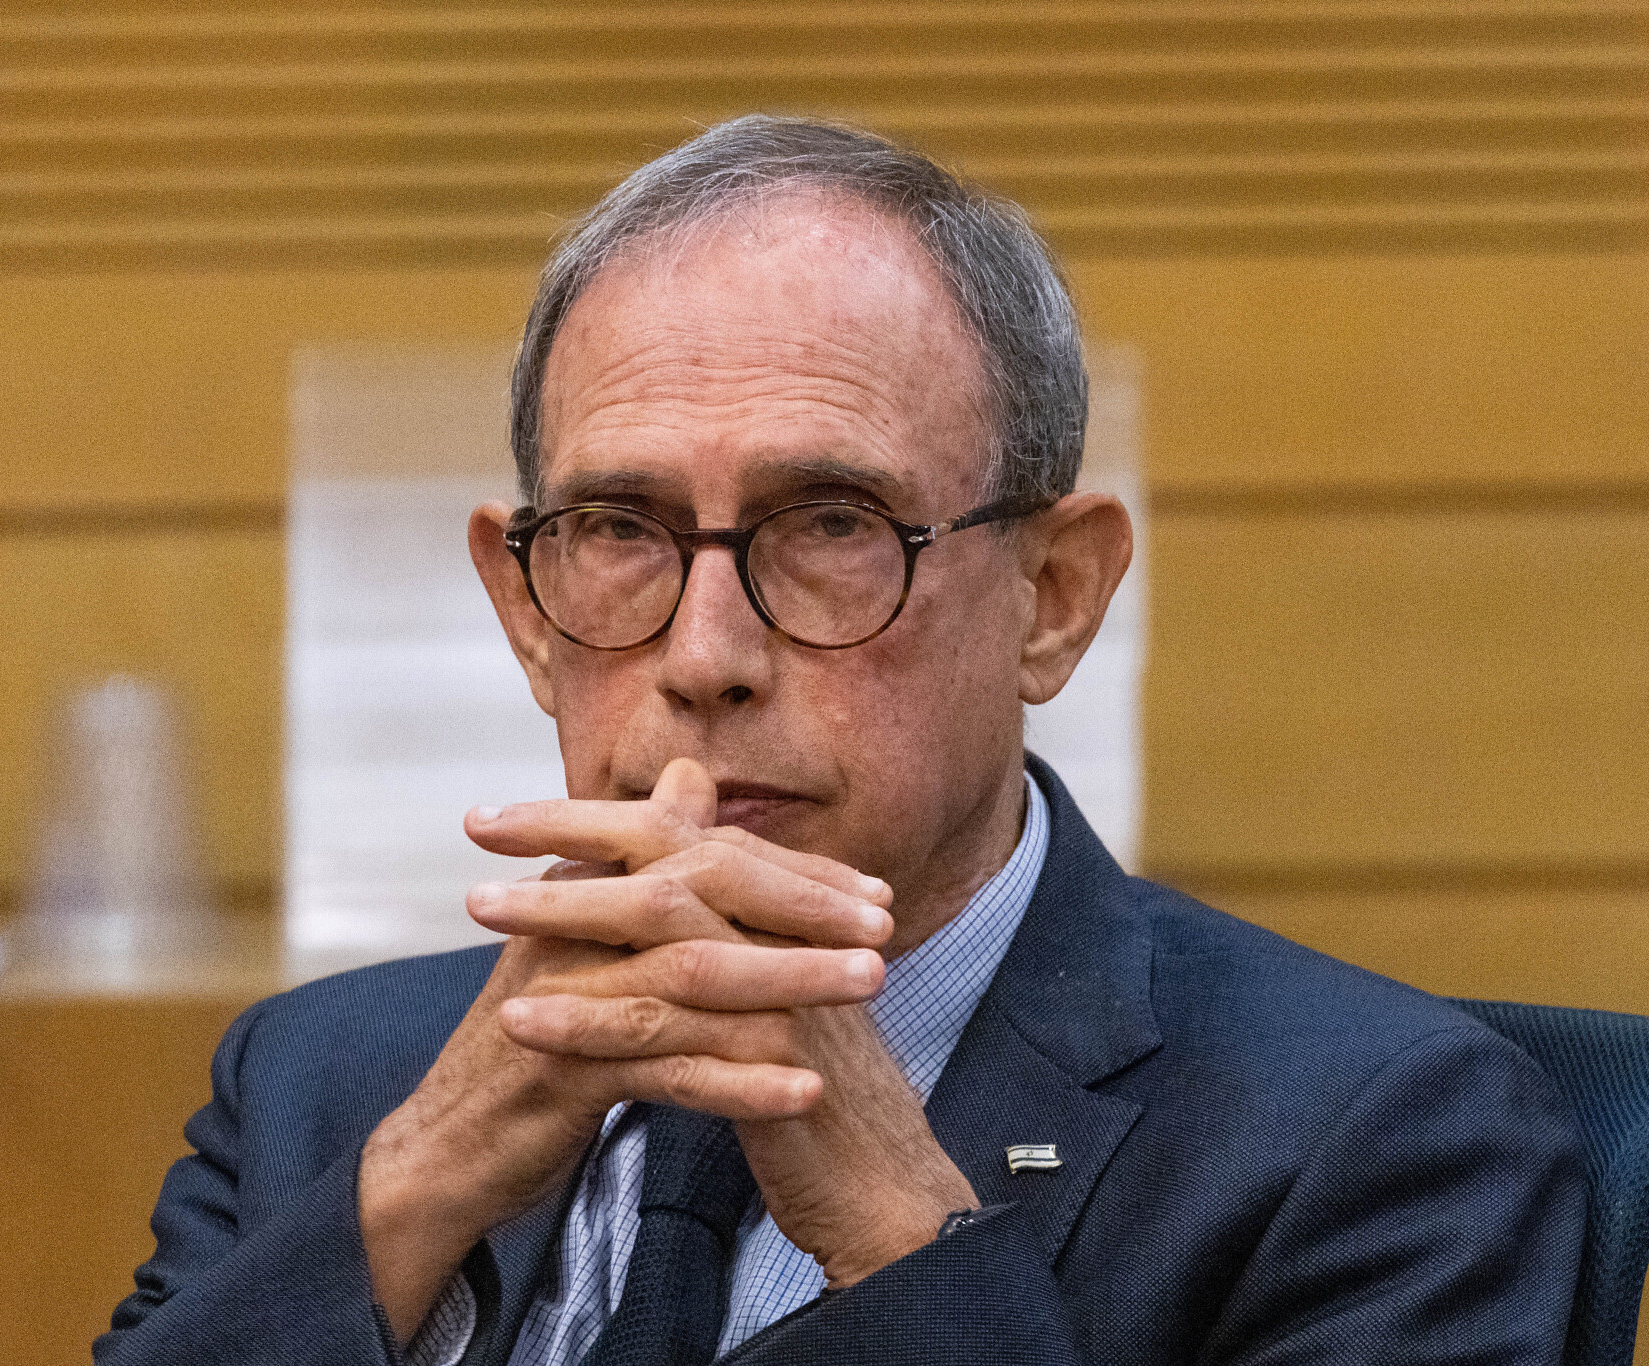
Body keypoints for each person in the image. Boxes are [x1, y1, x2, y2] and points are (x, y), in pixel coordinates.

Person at [95, 116, 1585, 1366]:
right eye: (620, 529)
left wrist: (905, 1235)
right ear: (525, 610)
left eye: (831, 526)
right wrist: (419, 1187)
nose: (704, 658)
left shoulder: (1384, 1141)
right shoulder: (320, 1088)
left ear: (1054, 598)